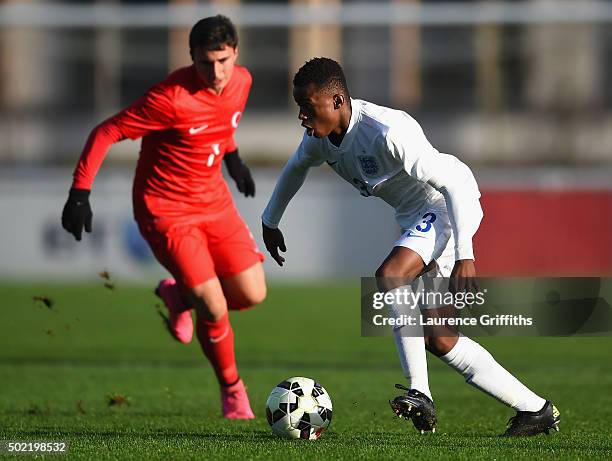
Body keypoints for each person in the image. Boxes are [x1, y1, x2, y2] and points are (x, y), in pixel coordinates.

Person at [261, 57, 560, 436]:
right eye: (299, 108)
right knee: (439, 337)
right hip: (417, 217)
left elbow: (452, 184)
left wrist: (466, 255)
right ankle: (536, 410)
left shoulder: (388, 131)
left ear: (336, 101)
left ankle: (420, 391)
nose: (302, 116)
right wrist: (269, 221)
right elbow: (294, 169)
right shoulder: (320, 142)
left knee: (391, 275)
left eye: (308, 107)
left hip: (447, 206)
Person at [61, 15, 266, 419]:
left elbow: (222, 124)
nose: (217, 72)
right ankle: (233, 391)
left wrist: (234, 158)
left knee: (252, 294)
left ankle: (176, 295)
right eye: (206, 63)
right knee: (213, 304)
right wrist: (80, 192)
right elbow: (106, 132)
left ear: (235, 53)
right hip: (166, 209)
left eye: (223, 60)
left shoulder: (242, 81)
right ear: (192, 57)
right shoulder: (169, 98)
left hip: (214, 201)